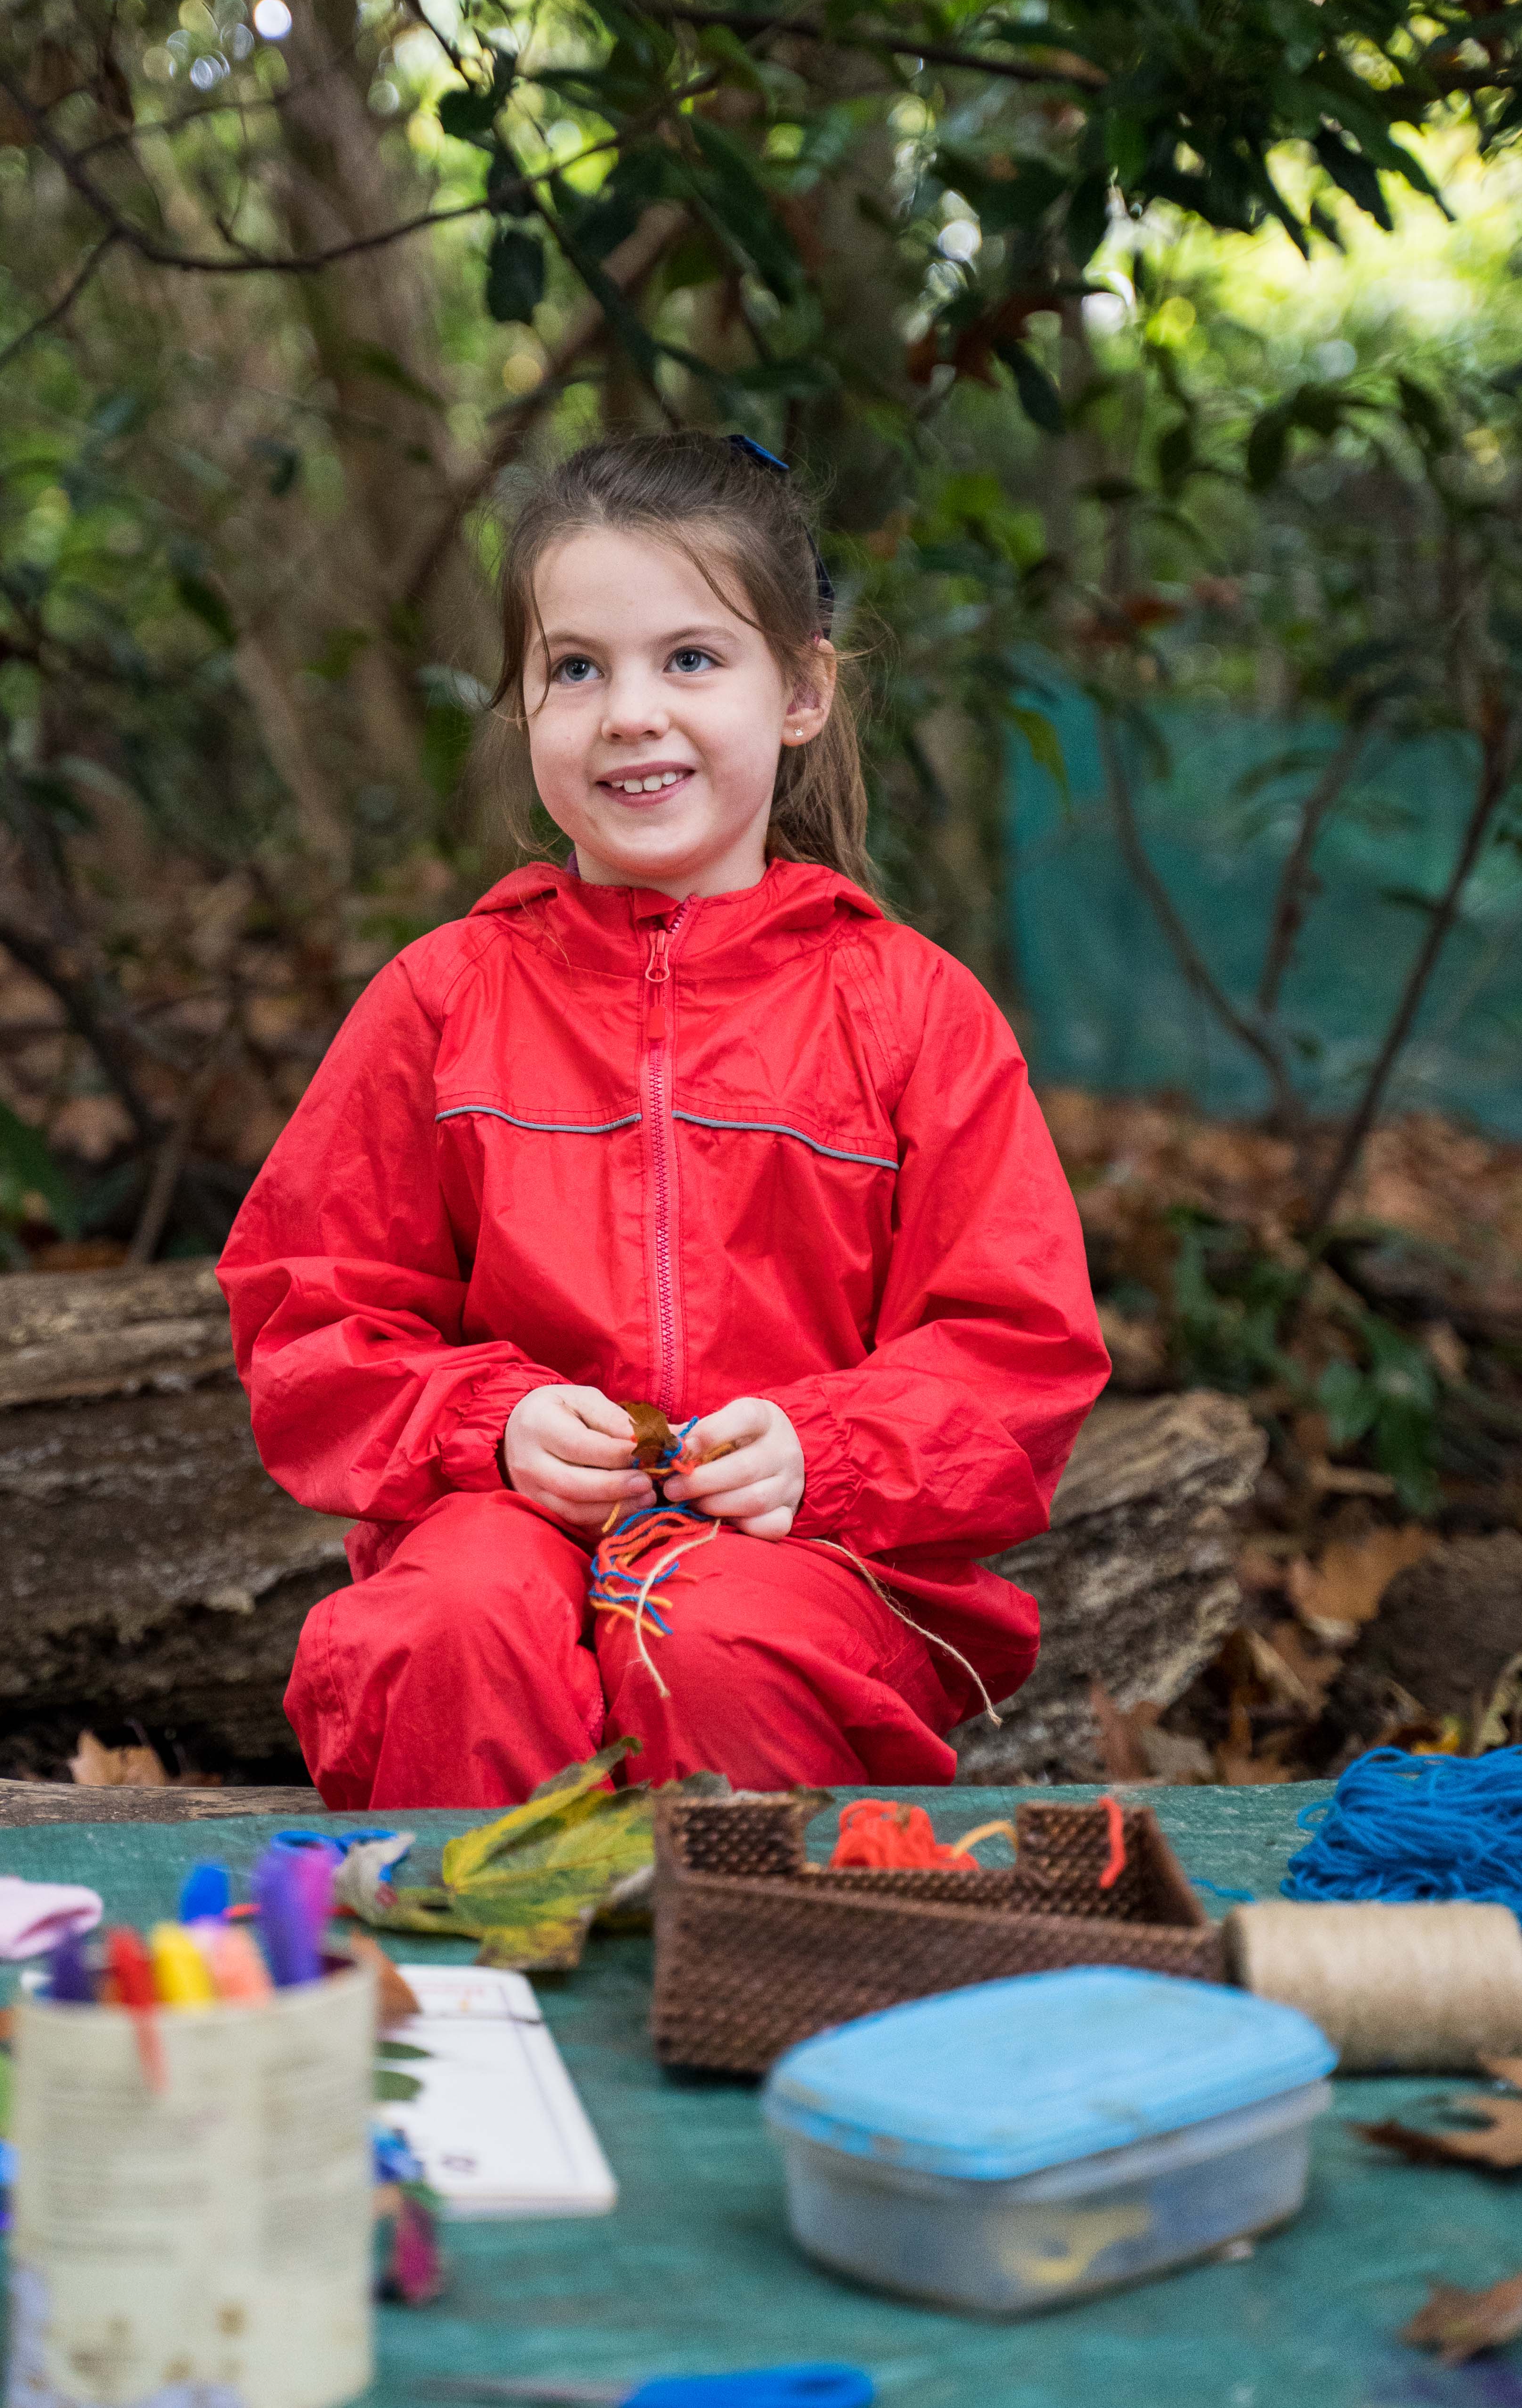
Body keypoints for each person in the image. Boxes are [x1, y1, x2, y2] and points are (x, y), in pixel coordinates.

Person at [218, 432, 1109, 1809]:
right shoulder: (443, 998)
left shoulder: (910, 1010)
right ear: (522, 706)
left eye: (690, 659)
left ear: (801, 689)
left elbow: (1019, 1349)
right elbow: (308, 1314)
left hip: (811, 1558)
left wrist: (830, 1452)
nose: (630, 711)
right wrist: (488, 1426)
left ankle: (744, 1989)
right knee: (447, 1627)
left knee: (712, 1636)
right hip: (491, 1532)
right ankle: (486, 1985)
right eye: (576, 668)